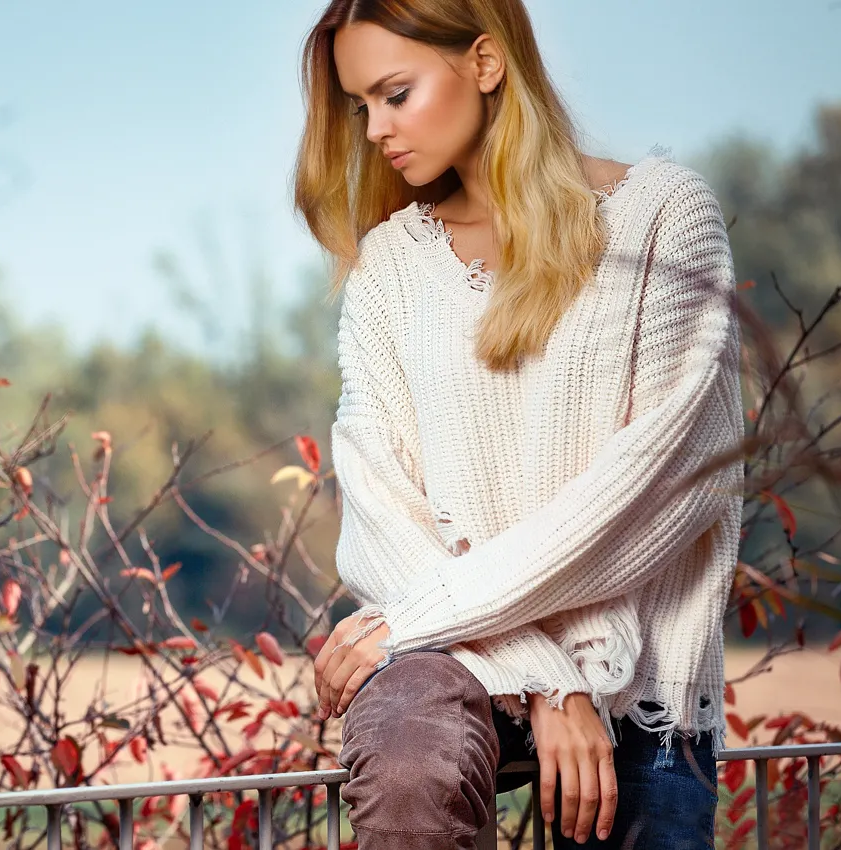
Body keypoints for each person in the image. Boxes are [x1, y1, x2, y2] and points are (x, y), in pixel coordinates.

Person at [293, 1, 745, 848]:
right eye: (360, 109)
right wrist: (544, 680)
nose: (377, 131)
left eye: (395, 93)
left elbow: (667, 489)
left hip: (644, 677)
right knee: (404, 748)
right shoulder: (390, 267)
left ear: (487, 63)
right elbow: (381, 510)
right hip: (459, 665)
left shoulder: (662, 221)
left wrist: (418, 619)